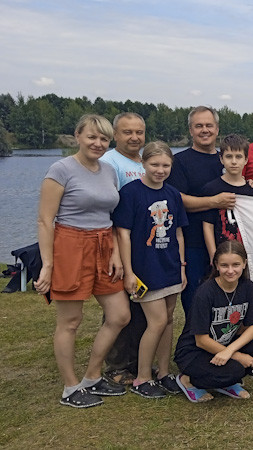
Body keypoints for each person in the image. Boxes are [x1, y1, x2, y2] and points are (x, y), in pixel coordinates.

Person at [35, 114, 130, 408]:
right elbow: (45, 220)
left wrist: (115, 251)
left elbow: (110, 217)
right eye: (92, 137)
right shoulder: (61, 169)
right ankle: (70, 387)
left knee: (119, 315)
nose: (98, 143)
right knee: (70, 321)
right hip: (70, 244)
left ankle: (92, 376)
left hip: (104, 243)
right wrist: (48, 264)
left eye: (103, 139)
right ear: (78, 136)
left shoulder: (108, 170)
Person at [114, 141, 188, 398]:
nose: (160, 170)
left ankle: (164, 372)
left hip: (169, 266)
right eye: (154, 164)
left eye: (165, 165)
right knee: (155, 322)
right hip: (146, 267)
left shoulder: (173, 194)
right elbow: (123, 234)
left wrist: (181, 267)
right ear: (143, 164)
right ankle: (142, 377)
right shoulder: (132, 193)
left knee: (168, 320)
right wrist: (129, 271)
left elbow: (178, 232)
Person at [173, 240, 253, 402]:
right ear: (216, 265)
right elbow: (201, 340)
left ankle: (226, 382)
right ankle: (187, 380)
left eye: (236, 265)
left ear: (244, 264)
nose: (230, 270)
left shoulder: (248, 287)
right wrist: (237, 355)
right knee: (235, 370)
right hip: (194, 352)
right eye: (225, 265)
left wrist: (230, 351)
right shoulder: (205, 293)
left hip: (225, 345)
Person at [166, 106, 234, 314]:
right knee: (196, 298)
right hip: (193, 242)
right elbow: (177, 199)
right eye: (199, 126)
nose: (204, 130)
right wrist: (213, 202)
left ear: (217, 128)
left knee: (227, 297)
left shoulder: (227, 159)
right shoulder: (180, 161)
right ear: (191, 130)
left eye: (209, 125)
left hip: (226, 242)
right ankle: (195, 342)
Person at [100, 112, 147, 385]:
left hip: (145, 246)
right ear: (115, 135)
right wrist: (114, 252)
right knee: (118, 310)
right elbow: (107, 209)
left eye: (139, 132)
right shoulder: (109, 163)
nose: (134, 137)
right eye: (127, 132)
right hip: (119, 245)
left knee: (141, 307)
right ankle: (116, 366)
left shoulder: (145, 162)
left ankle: (138, 361)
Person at [201, 134, 253, 263]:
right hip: (222, 253)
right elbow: (208, 226)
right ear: (221, 159)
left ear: (246, 160)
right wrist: (213, 256)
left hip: (247, 255)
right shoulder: (211, 189)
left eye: (238, 157)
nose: (234, 161)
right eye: (229, 156)